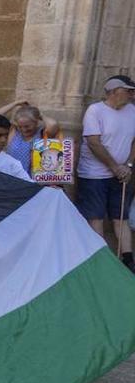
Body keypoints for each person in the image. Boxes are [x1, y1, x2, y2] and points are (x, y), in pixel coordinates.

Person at [77, 74, 135, 270]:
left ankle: (128, 260)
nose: (132, 95)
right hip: (94, 175)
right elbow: (94, 142)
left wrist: (128, 166)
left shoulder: (132, 111)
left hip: (121, 174)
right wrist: (114, 166)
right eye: (128, 91)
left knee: (121, 216)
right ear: (114, 91)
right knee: (96, 217)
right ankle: (102, 261)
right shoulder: (95, 111)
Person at [5, 105, 61, 177]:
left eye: (27, 126)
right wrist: (18, 103)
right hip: (11, 179)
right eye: (20, 126)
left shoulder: (41, 134)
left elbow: (53, 124)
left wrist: (40, 115)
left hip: (32, 181)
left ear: (36, 122)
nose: (23, 130)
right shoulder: (14, 132)